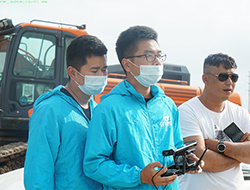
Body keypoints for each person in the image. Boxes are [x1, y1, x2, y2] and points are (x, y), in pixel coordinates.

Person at [83, 26, 202, 190]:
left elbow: (176, 146)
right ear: (127, 64)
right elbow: (94, 164)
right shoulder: (108, 109)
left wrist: (185, 161)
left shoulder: (168, 105)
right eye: (149, 56)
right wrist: (139, 176)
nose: (158, 61)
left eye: (159, 55)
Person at [24, 35, 108, 190]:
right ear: (73, 73)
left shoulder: (97, 110)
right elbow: (39, 171)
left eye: (104, 69)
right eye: (94, 71)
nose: (101, 76)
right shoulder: (50, 111)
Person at [178, 53, 250, 190]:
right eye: (223, 77)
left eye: (234, 77)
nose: (230, 82)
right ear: (205, 79)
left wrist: (217, 145)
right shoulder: (187, 111)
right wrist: (240, 154)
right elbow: (202, 159)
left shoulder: (240, 112)